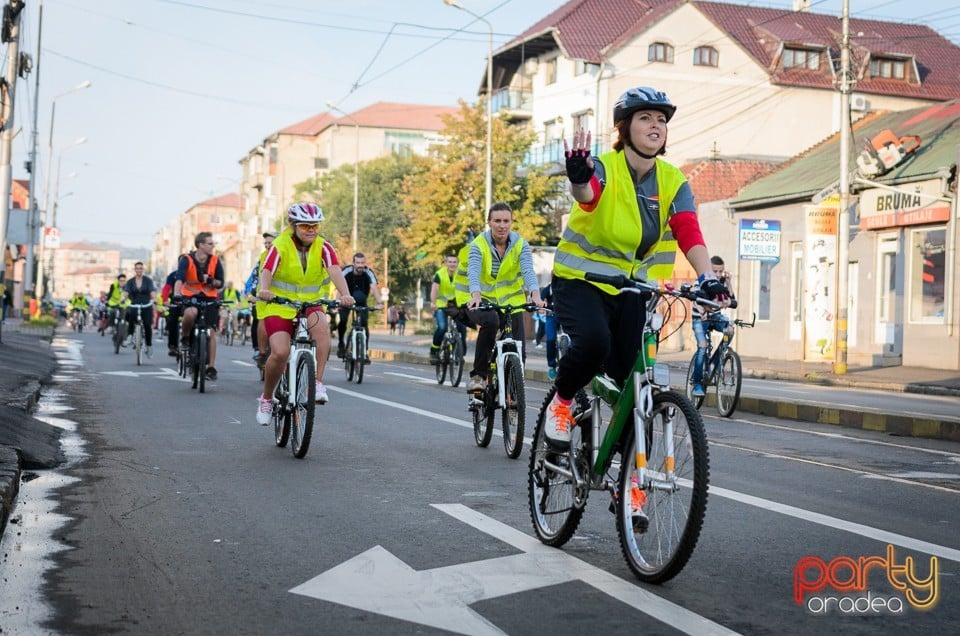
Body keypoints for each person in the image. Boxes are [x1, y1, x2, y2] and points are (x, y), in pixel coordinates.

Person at [544, 86, 727, 455]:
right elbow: (588, 193)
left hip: (631, 289)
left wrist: (708, 278)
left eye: (662, 120)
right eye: (645, 118)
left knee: (633, 378)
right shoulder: (604, 167)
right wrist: (579, 179)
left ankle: (628, 479)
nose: (656, 125)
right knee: (595, 344)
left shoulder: (673, 181)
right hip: (581, 282)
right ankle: (562, 402)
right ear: (625, 128)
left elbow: (688, 229)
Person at [254, 203, 355, 425]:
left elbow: (334, 270)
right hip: (279, 304)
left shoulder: (324, 247)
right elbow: (268, 270)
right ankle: (267, 398)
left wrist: (345, 294)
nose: (311, 230)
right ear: (293, 225)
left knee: (321, 332)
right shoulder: (279, 245)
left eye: (314, 226)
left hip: (310, 302)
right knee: (280, 353)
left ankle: (317, 382)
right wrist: (265, 290)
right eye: (305, 226)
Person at [454, 201, 544, 394]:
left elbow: (528, 269)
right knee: (491, 321)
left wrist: (535, 294)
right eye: (497, 221)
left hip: (510, 301)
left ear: (511, 222)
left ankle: (513, 393)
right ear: (489, 222)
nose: (502, 225)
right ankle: (478, 376)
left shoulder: (520, 244)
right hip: (478, 298)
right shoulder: (478, 244)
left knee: (518, 349)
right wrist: (476, 294)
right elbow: (474, 271)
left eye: (506, 221)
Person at [174, 232, 225, 381]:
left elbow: (220, 282)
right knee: (190, 313)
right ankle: (185, 338)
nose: (213, 246)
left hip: (209, 298)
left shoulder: (215, 260)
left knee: (211, 331)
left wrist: (210, 281)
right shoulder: (187, 259)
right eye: (210, 243)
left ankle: (211, 367)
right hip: (190, 297)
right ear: (201, 245)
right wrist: (177, 295)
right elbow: (179, 279)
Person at [690, 255, 735, 397]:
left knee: (730, 330)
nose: (718, 274)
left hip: (715, 317)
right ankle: (697, 384)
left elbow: (732, 300)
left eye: (721, 271)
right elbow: (697, 297)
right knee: (702, 347)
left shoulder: (721, 283)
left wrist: (728, 283)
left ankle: (714, 362)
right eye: (715, 271)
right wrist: (704, 307)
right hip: (700, 319)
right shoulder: (702, 281)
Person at [336, 252, 383, 361]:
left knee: (364, 324)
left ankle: (364, 352)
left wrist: (380, 303)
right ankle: (341, 344)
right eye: (358, 263)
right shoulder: (346, 271)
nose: (360, 265)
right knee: (342, 320)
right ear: (353, 263)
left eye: (362, 263)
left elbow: (374, 288)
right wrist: (337, 302)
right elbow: (338, 287)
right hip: (346, 299)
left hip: (361, 301)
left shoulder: (368, 272)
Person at [244, 231, 276, 366]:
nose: (268, 246)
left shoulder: (285, 255)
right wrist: (251, 294)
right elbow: (254, 279)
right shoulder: (263, 258)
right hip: (262, 297)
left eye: (271, 243)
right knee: (258, 320)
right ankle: (259, 350)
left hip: (281, 298)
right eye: (266, 243)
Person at [429, 254, 467, 363]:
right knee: (442, 327)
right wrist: (433, 303)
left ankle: (459, 354)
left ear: (457, 263)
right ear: (446, 263)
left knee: (462, 328)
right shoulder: (439, 274)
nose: (452, 264)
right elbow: (434, 289)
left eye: (454, 262)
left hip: (456, 305)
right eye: (450, 262)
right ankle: (434, 351)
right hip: (441, 304)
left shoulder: (462, 274)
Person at [122, 261, 157, 356]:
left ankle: (149, 345)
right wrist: (123, 298)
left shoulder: (148, 281)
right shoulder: (130, 282)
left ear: (143, 270)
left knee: (147, 324)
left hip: (146, 305)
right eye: (137, 268)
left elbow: (152, 292)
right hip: (134, 304)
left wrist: (154, 299)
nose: (139, 270)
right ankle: (129, 336)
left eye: (140, 268)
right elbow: (126, 293)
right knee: (131, 316)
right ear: (135, 270)